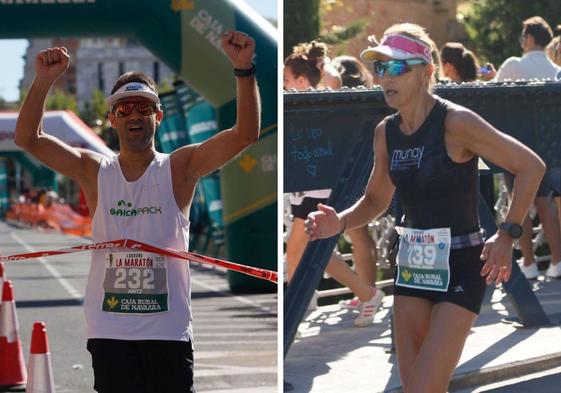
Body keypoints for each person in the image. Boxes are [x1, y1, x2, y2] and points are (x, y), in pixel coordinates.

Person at [15, 30, 260, 393]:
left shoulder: (180, 168)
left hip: (168, 332)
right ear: (112, 118)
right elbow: (28, 139)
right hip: (110, 330)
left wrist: (244, 70)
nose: (135, 115)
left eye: (144, 108)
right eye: (124, 109)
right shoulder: (93, 170)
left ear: (158, 116)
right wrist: (44, 81)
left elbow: (244, 135)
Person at [305, 23, 545, 392]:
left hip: (462, 266)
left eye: (396, 67)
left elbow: (530, 166)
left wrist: (507, 233)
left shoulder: (456, 122)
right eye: (380, 68)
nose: (385, 76)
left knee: (425, 387)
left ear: (426, 72)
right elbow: (375, 199)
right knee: (415, 385)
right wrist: (338, 222)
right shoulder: (386, 131)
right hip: (413, 267)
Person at [284, 44, 383, 327]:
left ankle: (366, 293)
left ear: (301, 81)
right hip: (303, 188)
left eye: (287, 79)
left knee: (309, 249)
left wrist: (321, 65)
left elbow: (333, 81)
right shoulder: (299, 102)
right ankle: (301, 304)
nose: (284, 84)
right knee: (299, 249)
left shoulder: (318, 101)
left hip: (319, 187)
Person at [495, 16, 561, 279]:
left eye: (523, 37)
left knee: (517, 205)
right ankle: (557, 263)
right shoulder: (556, 71)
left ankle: (529, 264)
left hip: (518, 146)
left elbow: (493, 96)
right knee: (546, 205)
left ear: (530, 38)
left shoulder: (513, 65)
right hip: (549, 147)